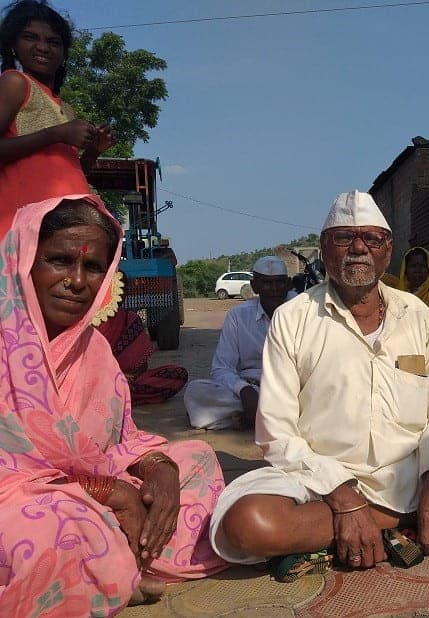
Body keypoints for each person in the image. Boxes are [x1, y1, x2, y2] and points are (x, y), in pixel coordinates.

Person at [208, 190, 429, 577]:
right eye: (343, 237)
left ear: (388, 250)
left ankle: (394, 517)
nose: (358, 248)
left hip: (415, 471)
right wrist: (344, 498)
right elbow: (277, 433)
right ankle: (402, 520)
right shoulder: (293, 319)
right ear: (323, 248)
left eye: (371, 238)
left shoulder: (415, 313)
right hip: (322, 480)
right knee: (247, 525)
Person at [0, 194, 226, 615]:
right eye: (59, 260)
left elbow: (121, 443)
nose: (77, 281)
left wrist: (158, 468)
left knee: (195, 458)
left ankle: (116, 562)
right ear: (24, 260)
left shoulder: (94, 354)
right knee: (57, 528)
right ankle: (115, 566)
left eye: (92, 267)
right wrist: (105, 492)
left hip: (83, 488)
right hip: (21, 503)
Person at [0, 1, 114, 236]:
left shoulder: (65, 108)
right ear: (13, 45)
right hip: (23, 228)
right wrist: (56, 134)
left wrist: (93, 151)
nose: (42, 47)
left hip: (64, 228)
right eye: (30, 37)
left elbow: (68, 172)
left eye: (53, 42)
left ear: (63, 53)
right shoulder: (15, 82)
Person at [184, 256, 292, 430]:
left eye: (279, 283)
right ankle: (269, 417)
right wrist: (243, 390)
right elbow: (221, 368)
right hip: (252, 390)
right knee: (195, 391)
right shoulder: (238, 316)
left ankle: (253, 417)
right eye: (266, 283)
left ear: (288, 284)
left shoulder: (302, 311)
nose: (274, 290)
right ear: (254, 286)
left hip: (290, 391)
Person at [96, 304, 189, 405]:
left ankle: (119, 396)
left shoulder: (130, 319)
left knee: (178, 375)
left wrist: (125, 378)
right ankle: (117, 396)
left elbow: (142, 368)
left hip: (125, 383)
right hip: (95, 382)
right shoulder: (85, 321)